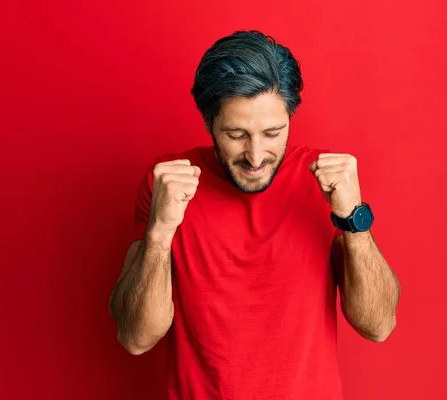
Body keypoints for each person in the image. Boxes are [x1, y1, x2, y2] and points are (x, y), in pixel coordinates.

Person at [109, 30, 400, 400]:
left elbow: (379, 325)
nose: (256, 155)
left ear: (290, 118)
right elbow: (135, 338)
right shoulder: (169, 182)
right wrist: (161, 231)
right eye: (236, 134)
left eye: (273, 132)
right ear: (208, 123)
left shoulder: (325, 183)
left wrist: (353, 219)